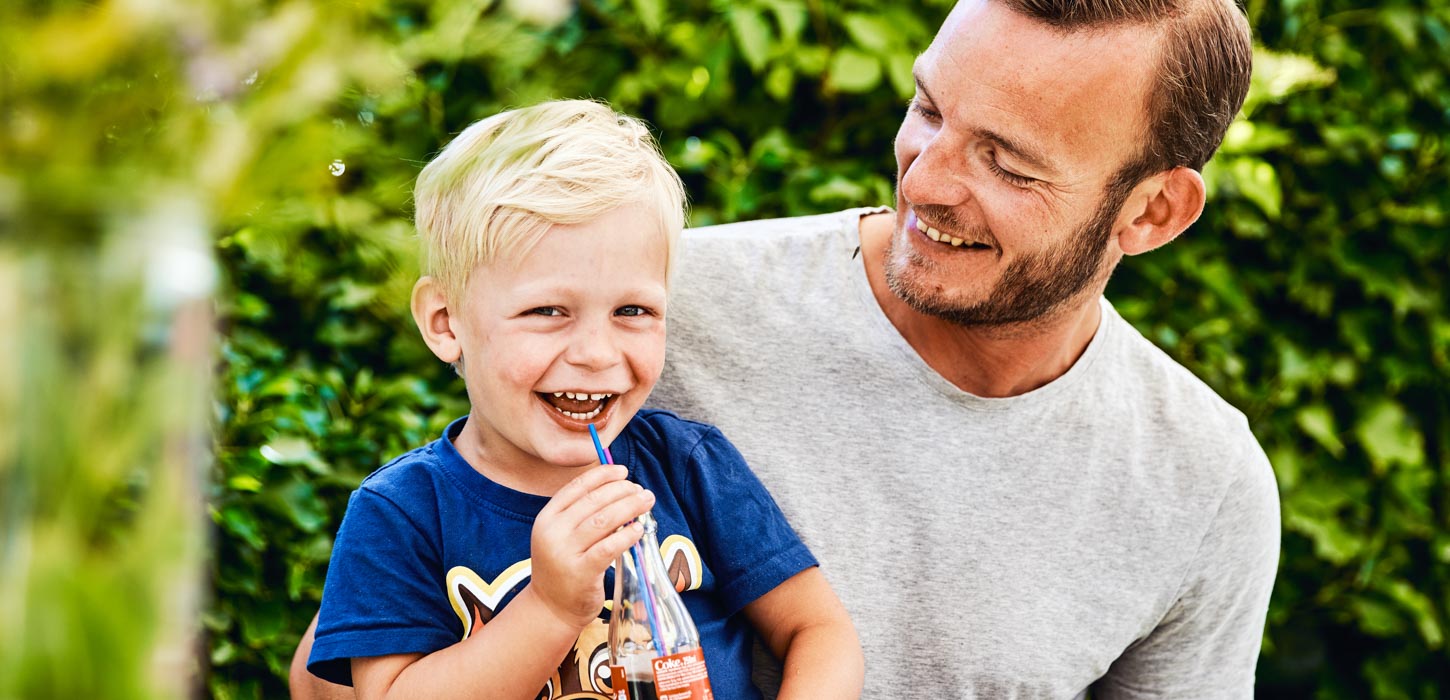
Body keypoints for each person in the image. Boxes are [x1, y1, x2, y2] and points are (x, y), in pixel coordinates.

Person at [293, 0, 1280, 697]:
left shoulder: (1202, 483)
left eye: (1007, 161)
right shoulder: (657, 305)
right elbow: (350, 669)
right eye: (928, 110)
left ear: (1153, 210)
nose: (925, 181)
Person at [302, 100, 862, 700]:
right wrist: (548, 607)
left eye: (633, 311)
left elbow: (819, 630)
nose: (597, 352)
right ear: (446, 322)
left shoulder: (688, 465)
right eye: (548, 311)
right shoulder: (403, 512)